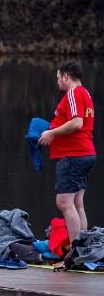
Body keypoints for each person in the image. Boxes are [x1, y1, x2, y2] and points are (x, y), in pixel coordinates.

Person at [38, 60, 96, 242]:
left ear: (66, 76)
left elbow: (77, 123)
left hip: (74, 155)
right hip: (84, 153)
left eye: (58, 78)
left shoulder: (73, 93)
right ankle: (81, 249)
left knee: (64, 202)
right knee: (77, 203)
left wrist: (51, 133)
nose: (57, 83)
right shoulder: (84, 93)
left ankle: (73, 252)